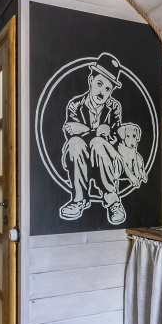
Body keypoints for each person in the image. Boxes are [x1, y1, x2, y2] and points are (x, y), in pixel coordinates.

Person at [59, 53, 128, 224]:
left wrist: (89, 132)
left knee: (98, 143)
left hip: (108, 163)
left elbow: (115, 138)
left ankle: (113, 200)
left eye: (108, 89)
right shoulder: (75, 105)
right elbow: (71, 133)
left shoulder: (114, 108)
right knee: (76, 142)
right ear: (91, 80)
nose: (102, 92)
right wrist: (97, 131)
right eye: (99, 84)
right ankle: (79, 200)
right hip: (81, 162)